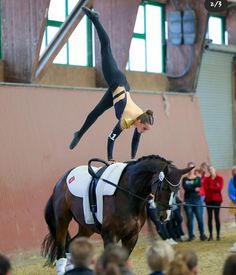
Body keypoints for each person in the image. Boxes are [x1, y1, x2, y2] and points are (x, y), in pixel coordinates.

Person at [69, 7, 154, 161]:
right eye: (145, 128)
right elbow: (111, 138)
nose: (144, 131)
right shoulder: (127, 118)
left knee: (96, 112)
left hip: (119, 91)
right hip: (117, 81)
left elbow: (135, 140)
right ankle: (95, 19)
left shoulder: (139, 118)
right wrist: (110, 159)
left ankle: (79, 133)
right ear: (140, 122)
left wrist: (133, 159)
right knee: (106, 49)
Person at [182, 162, 207, 241]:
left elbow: (198, 187)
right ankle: (191, 235)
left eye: (192, 167)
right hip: (188, 201)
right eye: (189, 167)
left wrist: (190, 187)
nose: (191, 169)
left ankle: (202, 235)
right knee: (189, 218)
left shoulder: (197, 178)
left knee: (199, 218)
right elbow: (185, 187)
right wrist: (193, 188)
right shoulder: (184, 179)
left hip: (197, 201)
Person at [203, 165, 224, 241]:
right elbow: (205, 188)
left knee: (216, 217)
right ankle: (211, 235)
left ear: (215, 170)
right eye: (209, 170)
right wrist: (214, 187)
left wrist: (211, 187)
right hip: (208, 200)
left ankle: (218, 235)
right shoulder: (206, 179)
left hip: (217, 200)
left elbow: (220, 188)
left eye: (212, 169)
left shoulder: (219, 178)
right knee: (210, 218)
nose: (211, 171)